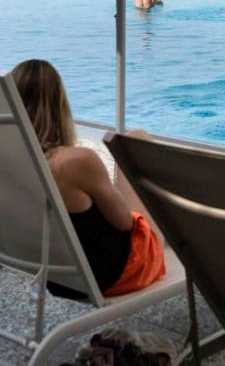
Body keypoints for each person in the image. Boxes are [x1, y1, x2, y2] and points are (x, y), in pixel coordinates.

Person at [11, 59, 165, 296]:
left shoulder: (3, 160)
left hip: (52, 275)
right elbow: (125, 223)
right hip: (106, 275)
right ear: (60, 105)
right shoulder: (76, 161)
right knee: (137, 138)